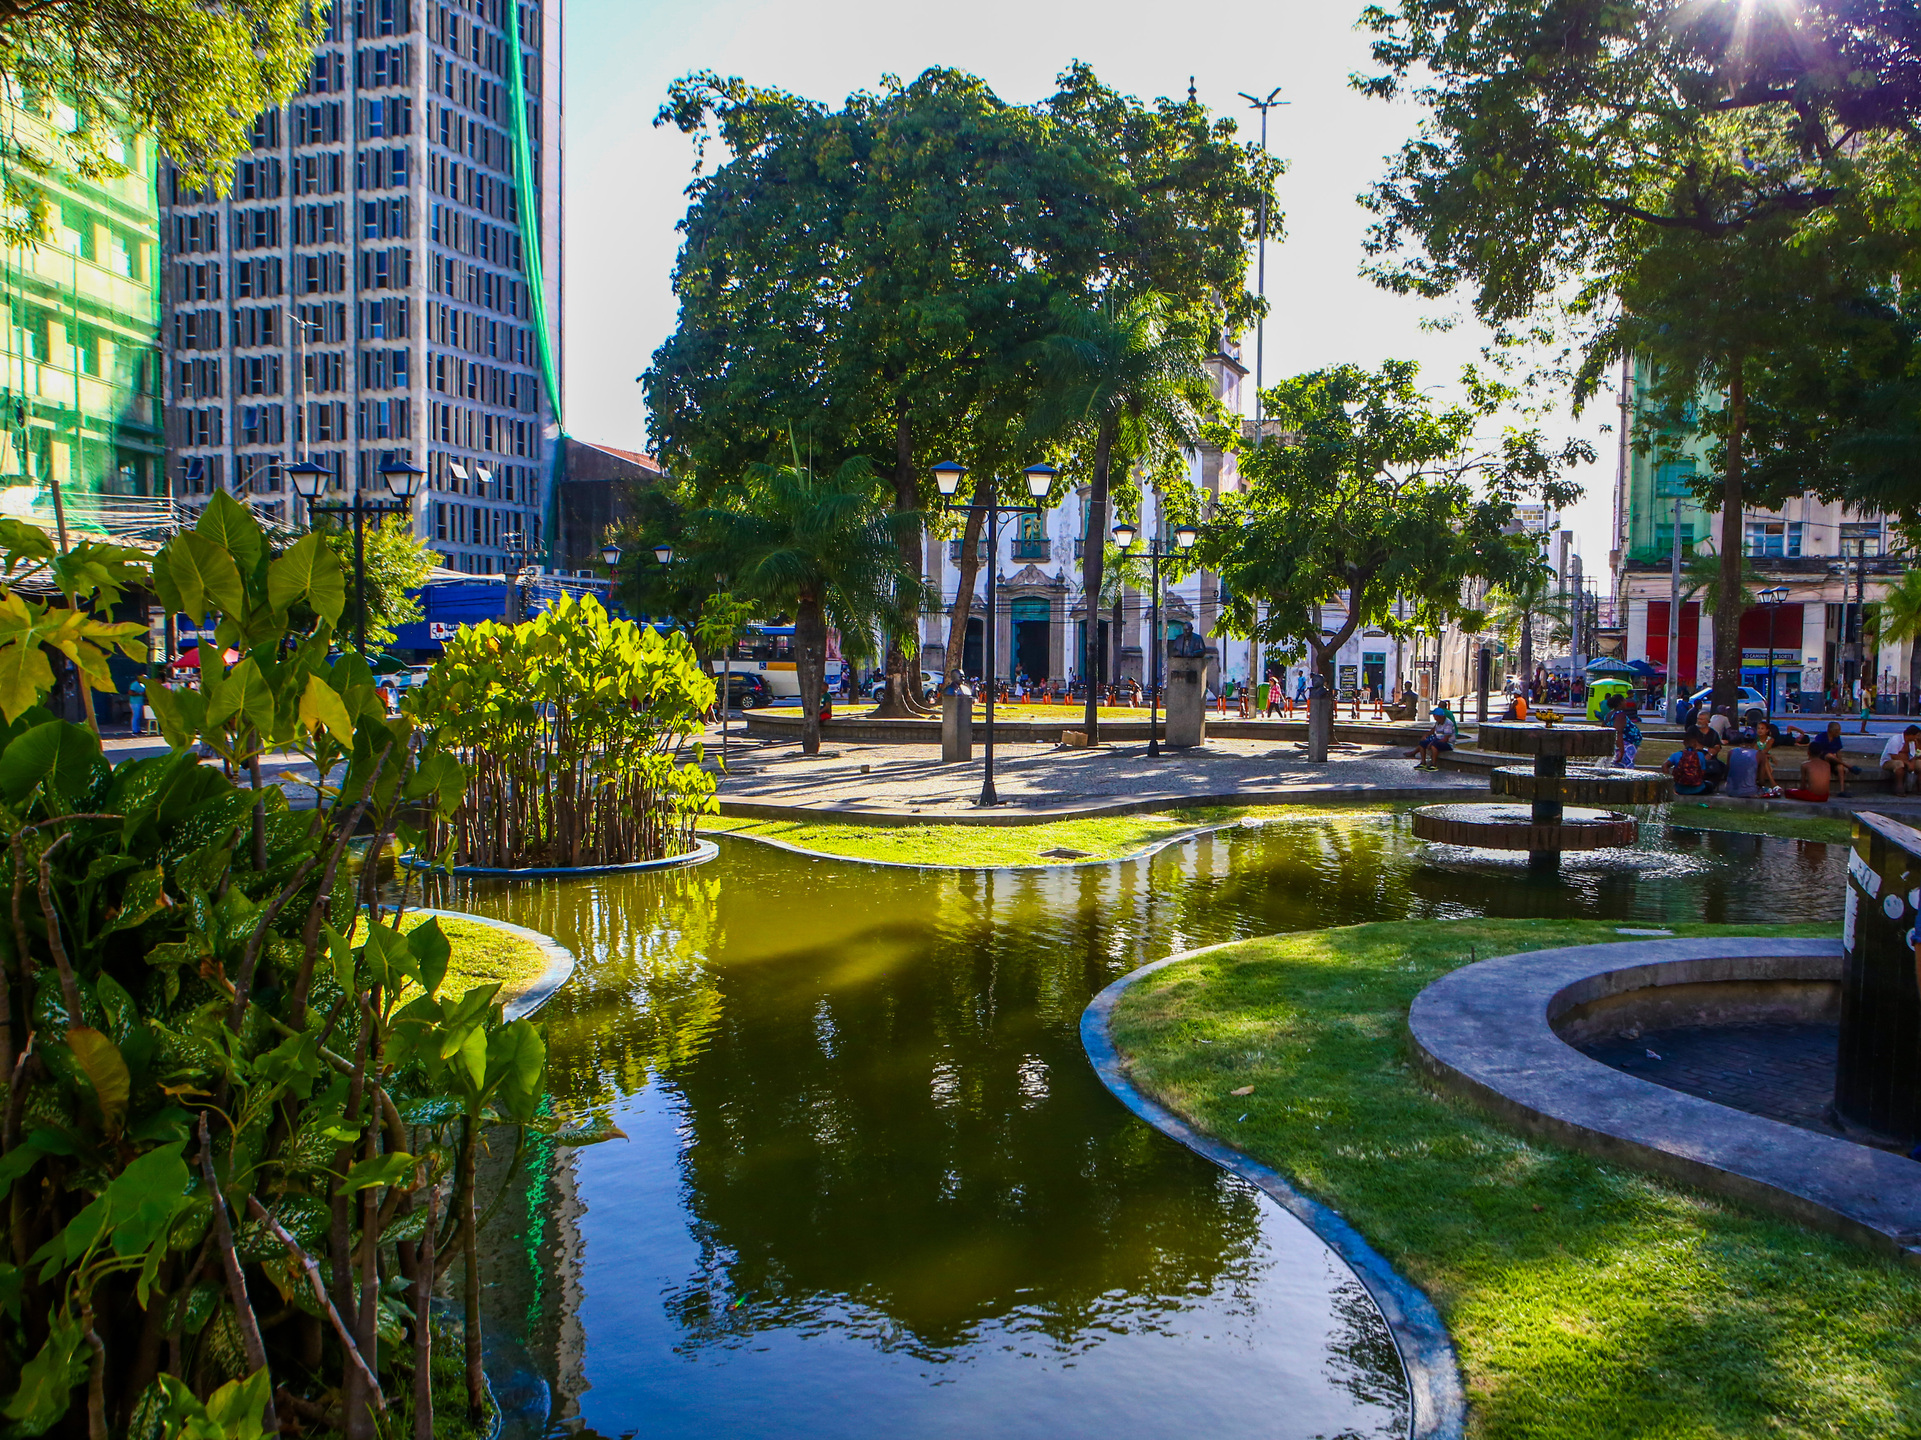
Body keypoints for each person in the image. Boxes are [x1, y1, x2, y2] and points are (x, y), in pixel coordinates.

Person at [1414, 701, 1457, 770]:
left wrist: (1431, 743)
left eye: (1435, 716)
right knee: (1422, 743)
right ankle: (1423, 763)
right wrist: (1426, 735)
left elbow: (1445, 739)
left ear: (1440, 716)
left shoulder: (1448, 724)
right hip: (1437, 739)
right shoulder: (1438, 722)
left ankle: (1433, 764)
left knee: (1434, 746)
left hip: (1448, 743)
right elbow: (1433, 730)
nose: (1434, 717)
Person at [1882, 725, 1921, 795]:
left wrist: (1912, 763)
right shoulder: (1895, 739)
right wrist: (1907, 763)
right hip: (1889, 761)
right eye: (1916, 735)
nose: (1917, 737)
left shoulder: (1912, 742)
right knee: (1899, 764)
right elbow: (1893, 755)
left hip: (1907, 761)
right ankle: (1899, 788)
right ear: (1911, 735)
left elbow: (1913, 755)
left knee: (1919, 764)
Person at [1723, 729, 1762, 797]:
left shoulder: (1731, 752)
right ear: (1755, 741)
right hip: (1750, 791)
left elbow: (1727, 773)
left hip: (1730, 790)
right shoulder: (1759, 755)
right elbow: (1761, 781)